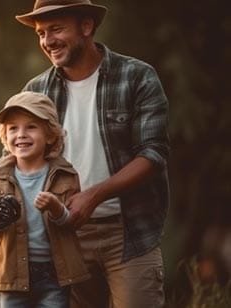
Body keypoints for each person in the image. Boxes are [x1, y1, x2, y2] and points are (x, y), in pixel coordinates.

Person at [14, 1, 170, 307]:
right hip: (63, 239)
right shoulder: (35, 92)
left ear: (86, 27)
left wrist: (94, 195)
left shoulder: (138, 76)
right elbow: (22, 161)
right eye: (41, 33)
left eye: (56, 29)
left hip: (129, 234)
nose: (47, 41)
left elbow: (153, 154)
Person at [0, 91, 90, 308]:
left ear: (51, 135)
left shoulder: (66, 175)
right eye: (13, 128)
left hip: (56, 275)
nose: (21, 134)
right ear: (5, 137)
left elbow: (73, 223)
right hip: (13, 277)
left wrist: (56, 208)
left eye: (31, 127)